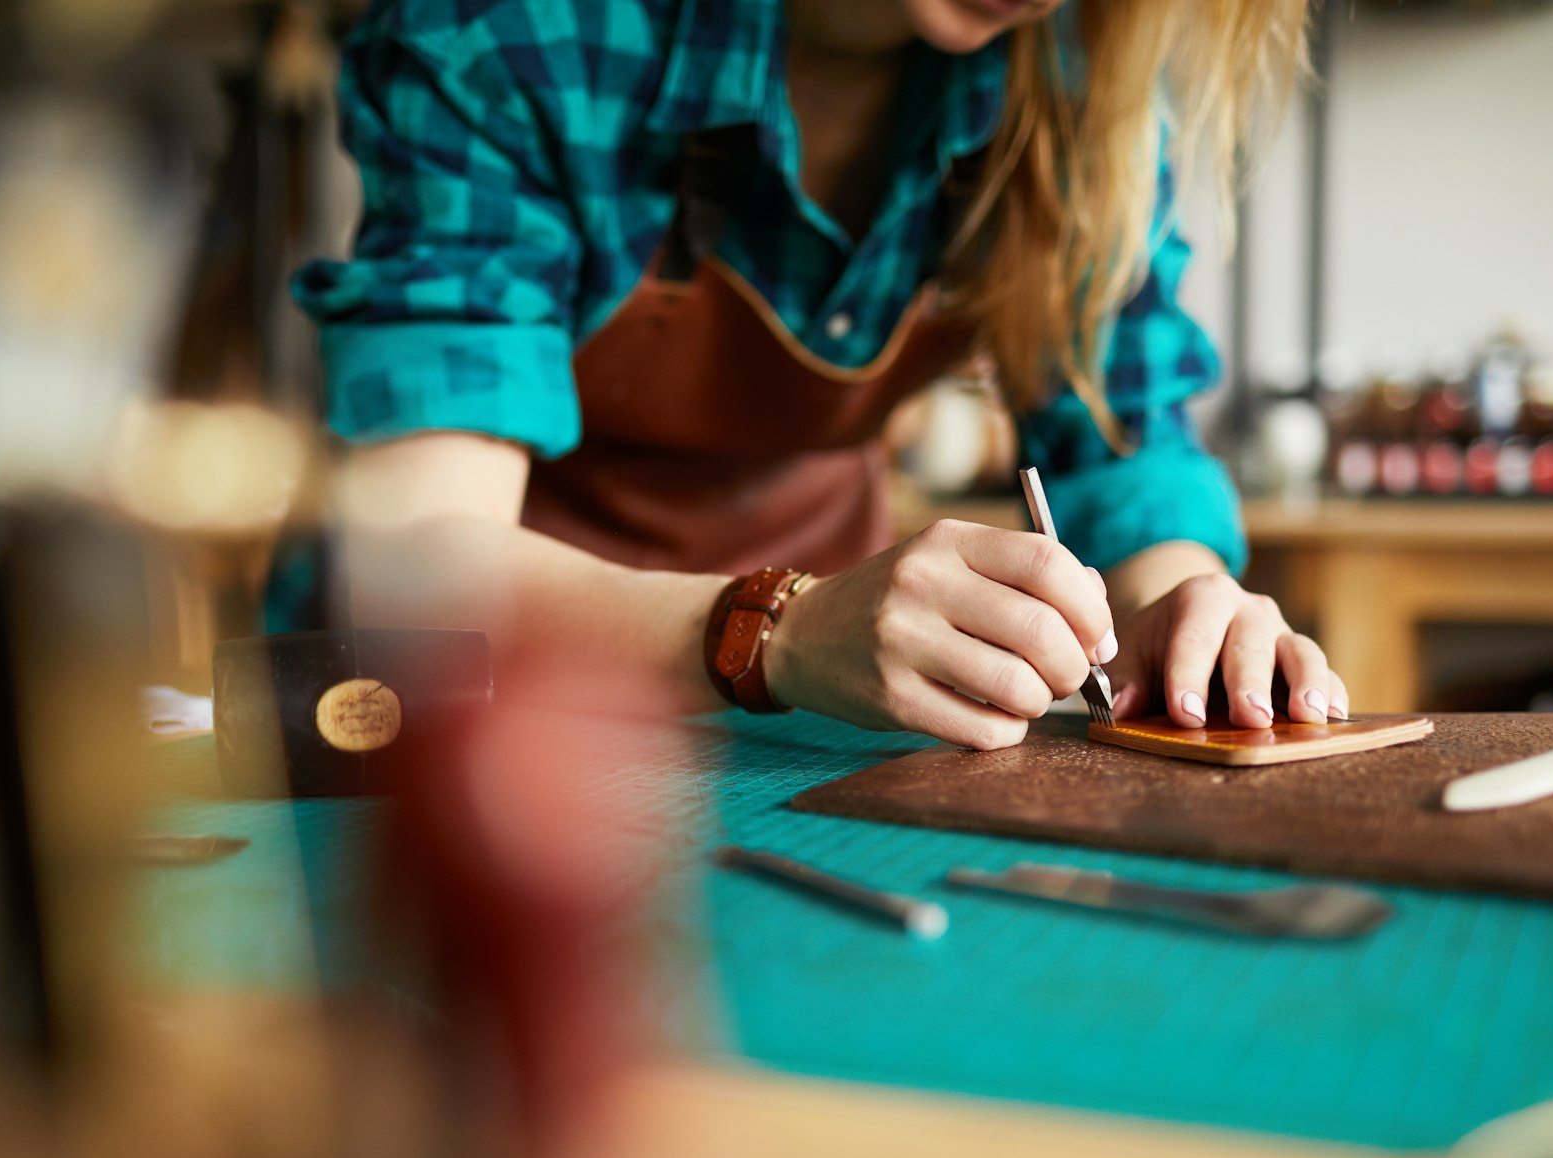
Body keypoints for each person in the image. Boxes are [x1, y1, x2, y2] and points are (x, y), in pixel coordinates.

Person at [295, 0, 1348, 750]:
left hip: (810, 739)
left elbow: (1123, 438)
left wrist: (1185, 607)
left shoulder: (1076, 71)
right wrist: (776, 628)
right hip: (472, 733)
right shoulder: (508, 31)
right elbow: (414, 574)